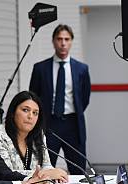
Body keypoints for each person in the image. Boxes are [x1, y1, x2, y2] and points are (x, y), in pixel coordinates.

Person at [29, 24, 91, 175]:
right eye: (59, 39)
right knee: (45, 170)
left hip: (73, 124)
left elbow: (84, 97)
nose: (63, 43)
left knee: (79, 171)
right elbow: (33, 97)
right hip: (49, 124)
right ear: (53, 41)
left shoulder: (81, 69)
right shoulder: (40, 68)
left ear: (71, 42)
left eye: (66, 39)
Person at [0, 91, 68, 181]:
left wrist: (56, 175)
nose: (30, 116)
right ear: (13, 112)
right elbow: (7, 173)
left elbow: (46, 165)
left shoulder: (38, 135)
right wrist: (48, 174)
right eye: (25, 110)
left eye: (35, 113)